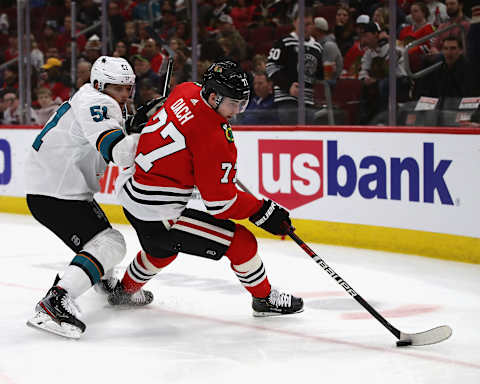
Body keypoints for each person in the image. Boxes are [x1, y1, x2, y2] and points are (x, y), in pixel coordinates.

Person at [110, 59, 304, 317]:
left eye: (241, 103)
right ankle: (264, 299)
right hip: (158, 213)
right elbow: (220, 204)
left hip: (132, 193)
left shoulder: (187, 90)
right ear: (213, 96)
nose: (236, 111)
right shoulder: (214, 136)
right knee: (242, 243)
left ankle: (124, 291)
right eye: (233, 103)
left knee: (161, 251)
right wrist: (263, 210)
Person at [25, 56, 152, 339]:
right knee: (111, 243)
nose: (123, 95)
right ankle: (55, 301)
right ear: (99, 84)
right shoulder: (97, 102)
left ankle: (104, 282)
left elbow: (107, 130)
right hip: (58, 192)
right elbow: (119, 152)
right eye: (117, 88)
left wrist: (134, 124)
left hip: (56, 188)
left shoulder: (89, 98)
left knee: (102, 237)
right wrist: (149, 132)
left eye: (127, 88)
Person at [266, 9, 324, 125]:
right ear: (294, 23)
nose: (305, 28)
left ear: (313, 25)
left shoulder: (317, 47)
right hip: (287, 100)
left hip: (308, 101)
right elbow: (270, 67)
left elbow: (317, 74)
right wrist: (288, 87)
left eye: (308, 24)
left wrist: (327, 74)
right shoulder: (285, 43)